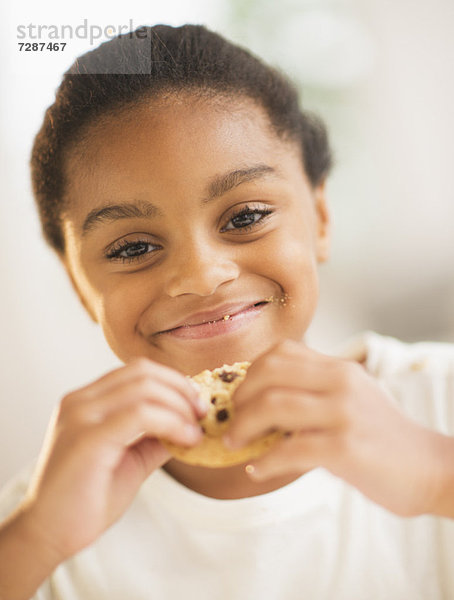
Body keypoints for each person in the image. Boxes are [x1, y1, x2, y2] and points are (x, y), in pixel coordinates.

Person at [0, 23, 453, 600]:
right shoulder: (41, 527)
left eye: (245, 217)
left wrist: (439, 476)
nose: (201, 276)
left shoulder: (439, 403)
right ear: (77, 282)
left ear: (320, 219)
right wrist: (36, 541)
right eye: (133, 248)